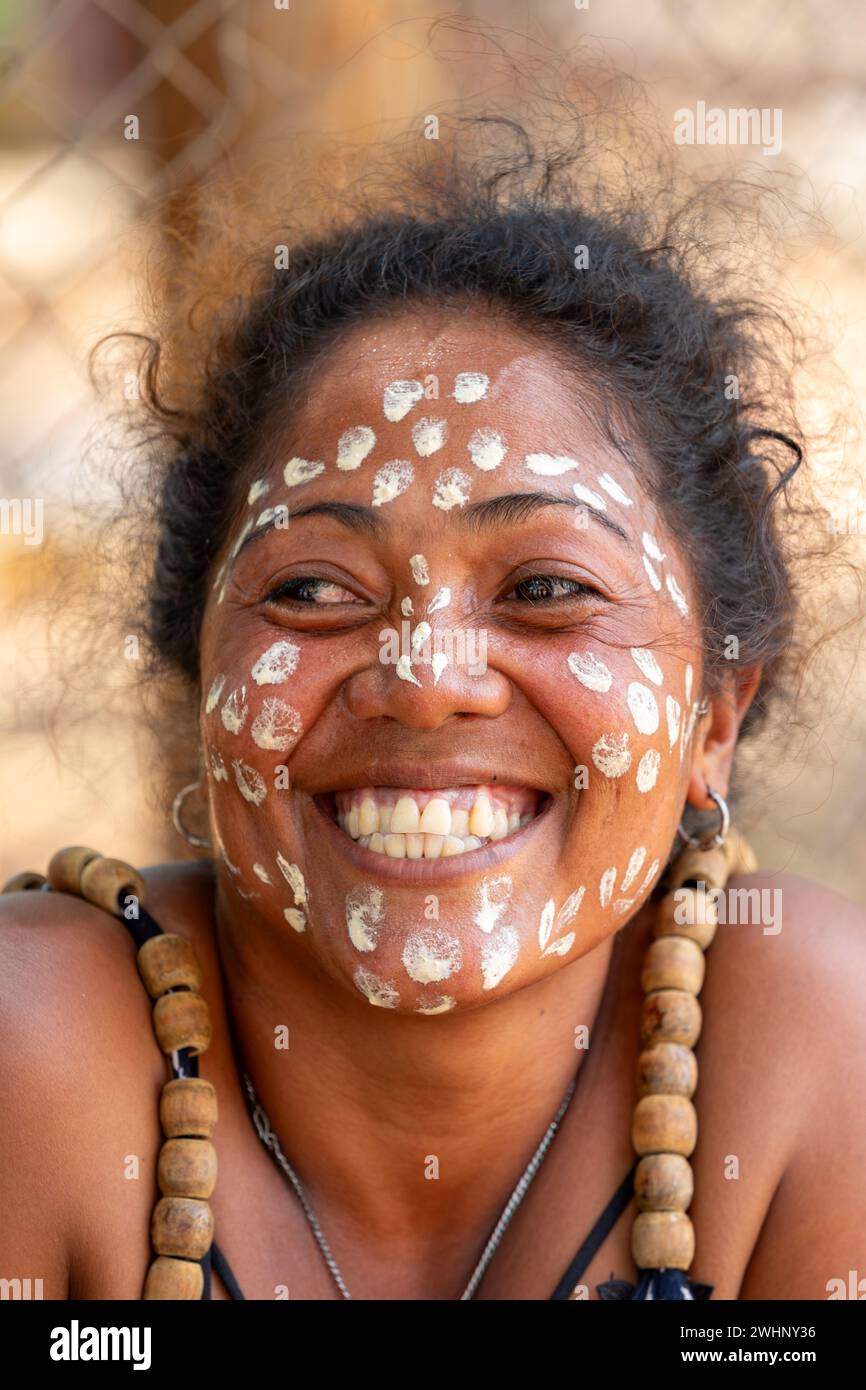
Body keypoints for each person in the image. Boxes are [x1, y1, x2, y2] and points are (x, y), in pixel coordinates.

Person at [2, 116, 865, 1302]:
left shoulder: (824, 1052)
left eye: (546, 589)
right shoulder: (29, 1053)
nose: (423, 675)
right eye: (312, 590)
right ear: (202, 683)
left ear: (714, 712)